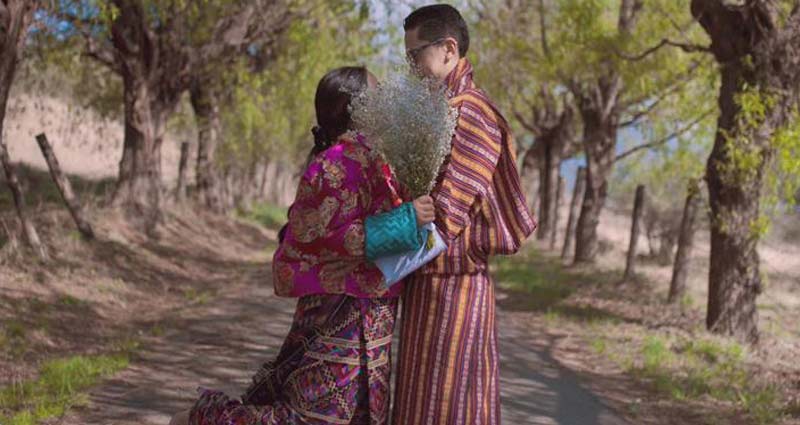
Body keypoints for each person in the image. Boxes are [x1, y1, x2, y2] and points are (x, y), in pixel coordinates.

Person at [170, 66, 435, 425]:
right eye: (379, 95)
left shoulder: (379, 163)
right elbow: (335, 238)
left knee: (361, 415)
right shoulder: (331, 167)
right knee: (313, 416)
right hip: (338, 308)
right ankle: (209, 416)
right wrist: (408, 220)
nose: (388, 103)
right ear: (354, 108)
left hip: (374, 312)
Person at [392, 5, 537, 425]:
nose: (411, 67)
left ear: (448, 50)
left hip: (454, 288)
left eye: (415, 55)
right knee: (422, 404)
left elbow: (446, 214)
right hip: (429, 281)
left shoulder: (470, 112)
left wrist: (379, 244)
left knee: (451, 408)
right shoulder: (444, 107)